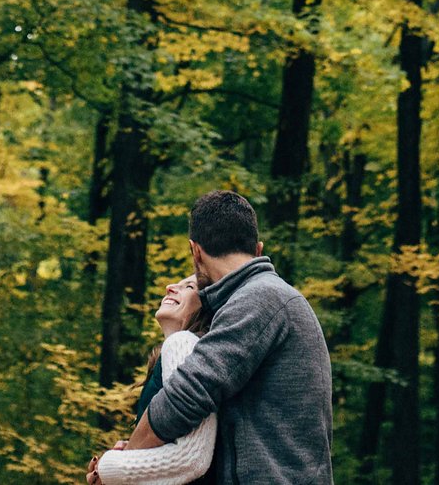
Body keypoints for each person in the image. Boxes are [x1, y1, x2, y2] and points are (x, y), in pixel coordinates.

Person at [104, 190, 336, 485]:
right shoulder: (266, 299)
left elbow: (186, 396)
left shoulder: (260, 297)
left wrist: (126, 461)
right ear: (258, 248)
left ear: (195, 250)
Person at [86, 275, 219, 485]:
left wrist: (111, 469)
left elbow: (191, 458)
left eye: (189, 286)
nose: (170, 287)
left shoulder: (183, 344)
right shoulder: (173, 356)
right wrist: (131, 453)